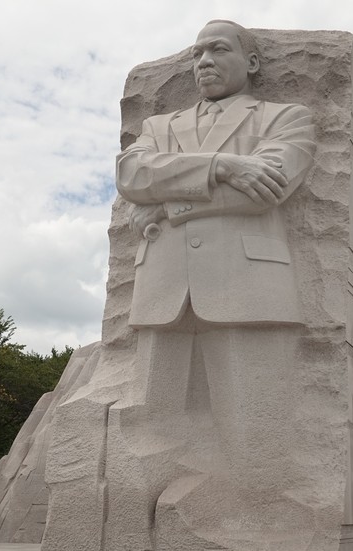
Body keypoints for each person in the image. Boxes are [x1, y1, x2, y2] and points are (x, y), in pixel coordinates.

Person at [115, 20, 317, 462]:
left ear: (252, 61)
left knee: (255, 435)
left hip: (248, 289)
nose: (203, 61)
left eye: (218, 50)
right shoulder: (157, 126)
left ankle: (254, 518)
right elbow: (131, 176)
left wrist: (168, 207)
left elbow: (268, 188)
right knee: (150, 432)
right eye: (196, 53)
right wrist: (222, 165)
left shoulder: (284, 118)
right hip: (162, 291)